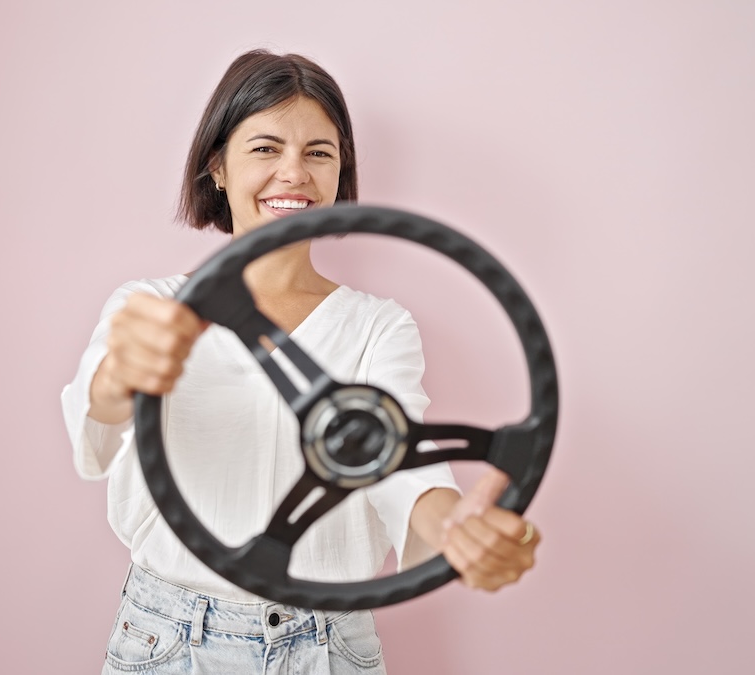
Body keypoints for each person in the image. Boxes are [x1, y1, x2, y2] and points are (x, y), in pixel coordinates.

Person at [61, 50, 541, 674]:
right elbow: (94, 430)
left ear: (341, 173)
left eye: (319, 152)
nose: (294, 173)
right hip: (167, 644)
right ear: (218, 167)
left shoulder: (378, 327)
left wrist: (459, 532)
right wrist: (122, 374)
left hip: (330, 649)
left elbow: (402, 472)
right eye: (265, 148)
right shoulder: (151, 308)